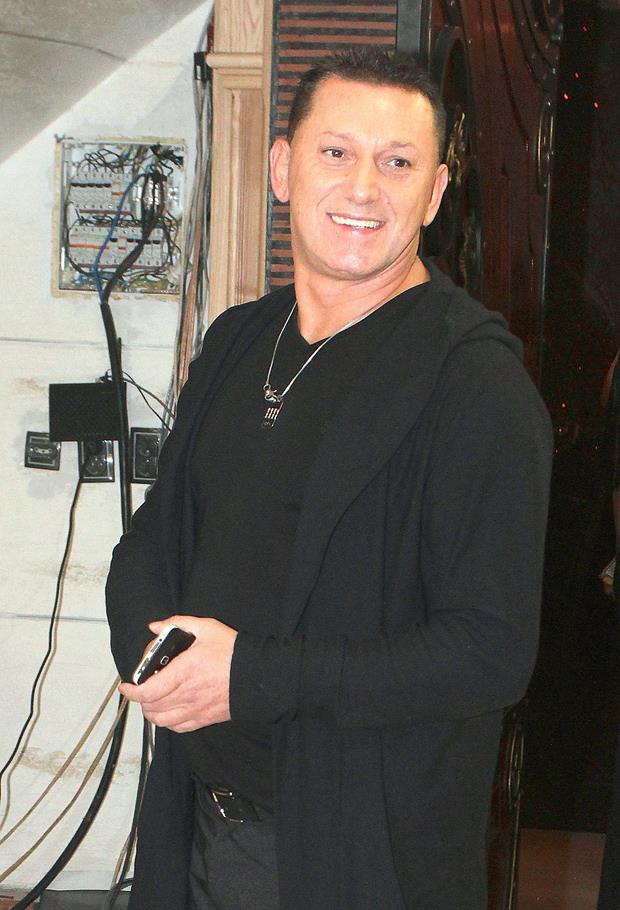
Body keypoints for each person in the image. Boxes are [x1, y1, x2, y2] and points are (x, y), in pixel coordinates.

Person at [106, 48, 553, 910]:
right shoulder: (238, 340)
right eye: (336, 152)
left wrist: (250, 676)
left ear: (435, 192)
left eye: (398, 163)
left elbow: (490, 653)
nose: (363, 188)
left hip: (356, 852)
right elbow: (158, 533)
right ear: (283, 167)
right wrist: (150, 653)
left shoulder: (475, 385)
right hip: (195, 817)